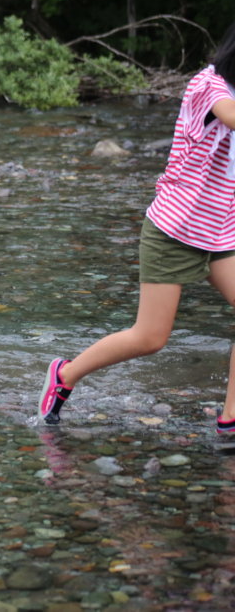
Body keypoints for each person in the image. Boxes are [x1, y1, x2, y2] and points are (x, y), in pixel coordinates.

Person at [41, 23, 235, 432]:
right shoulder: (209, 83)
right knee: (150, 338)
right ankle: (64, 375)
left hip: (222, 231)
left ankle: (230, 420)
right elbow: (231, 117)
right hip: (175, 230)